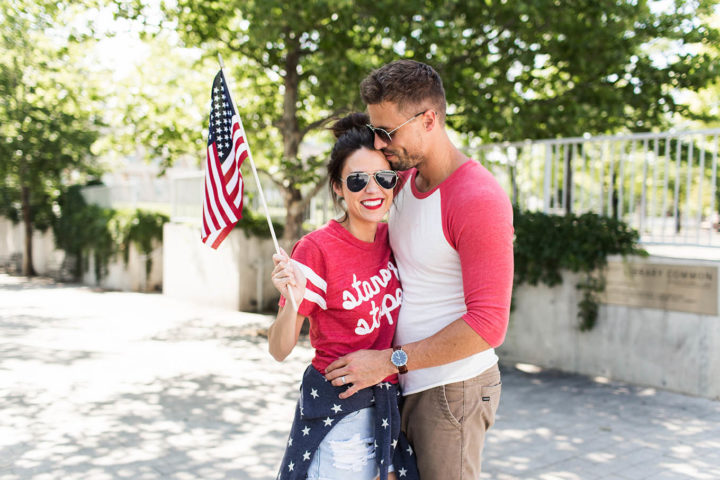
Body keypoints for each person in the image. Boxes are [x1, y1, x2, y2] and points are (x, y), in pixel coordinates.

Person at [324, 60, 515, 478]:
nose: (379, 141)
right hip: (401, 385)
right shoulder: (403, 182)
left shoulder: (477, 198)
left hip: (452, 390)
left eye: (387, 132)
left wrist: (389, 361)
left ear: (429, 119)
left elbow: (489, 324)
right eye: (376, 129)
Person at [268, 113, 418, 480]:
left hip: (386, 411)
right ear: (337, 187)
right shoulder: (317, 249)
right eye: (357, 180)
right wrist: (292, 301)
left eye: (383, 178)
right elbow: (279, 349)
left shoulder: (393, 239)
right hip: (338, 417)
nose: (373, 190)